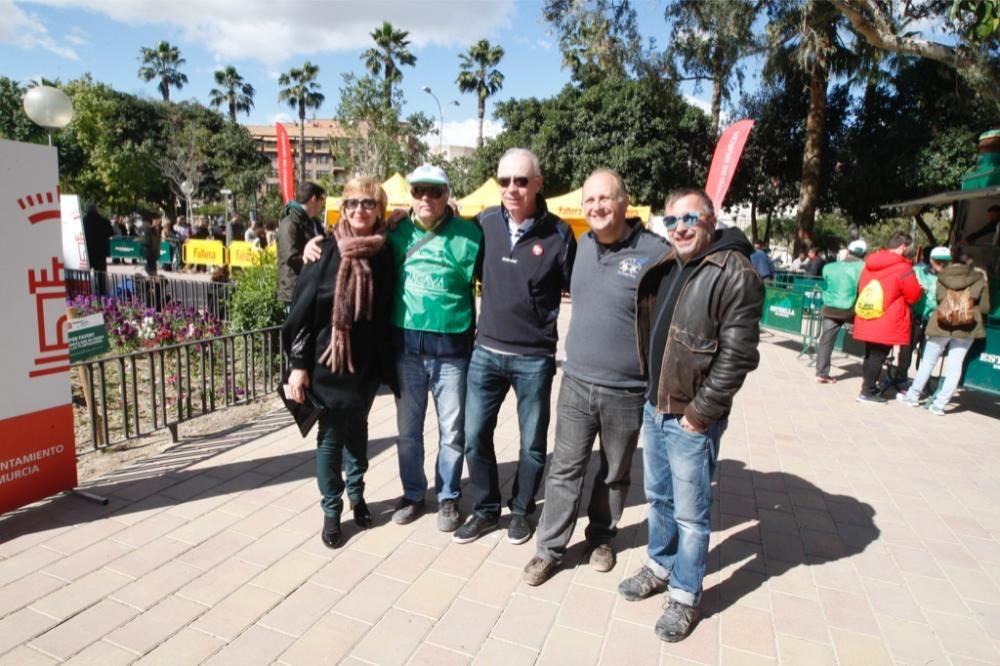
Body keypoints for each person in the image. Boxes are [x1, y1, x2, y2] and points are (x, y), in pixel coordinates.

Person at [620, 187, 763, 643]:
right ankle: (659, 566)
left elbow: (739, 356)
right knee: (658, 498)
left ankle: (684, 595)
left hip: (690, 417)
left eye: (689, 218)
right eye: (671, 221)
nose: (679, 227)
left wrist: (700, 415)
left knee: (691, 515)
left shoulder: (734, 271)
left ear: (710, 219)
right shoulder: (671, 264)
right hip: (656, 405)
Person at [522, 170, 666, 586]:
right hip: (576, 381)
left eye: (605, 199)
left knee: (614, 471)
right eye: (590, 201)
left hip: (627, 389)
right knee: (564, 468)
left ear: (624, 201)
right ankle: (549, 549)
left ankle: (602, 537)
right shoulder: (581, 245)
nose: (597, 207)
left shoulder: (654, 253)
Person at [454, 148, 577, 546]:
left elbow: (583, 283)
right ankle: (486, 509)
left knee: (533, 446)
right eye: (504, 180)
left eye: (521, 181)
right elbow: (448, 251)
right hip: (486, 353)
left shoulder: (560, 234)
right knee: (474, 435)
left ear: (538, 184)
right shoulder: (484, 222)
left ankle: (522, 510)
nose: (511, 188)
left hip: (534, 359)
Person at [283, 176, 397, 548]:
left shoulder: (384, 252)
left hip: (363, 367)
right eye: (352, 204)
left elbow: (385, 313)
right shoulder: (324, 251)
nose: (359, 210)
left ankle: (357, 495)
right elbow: (301, 314)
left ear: (379, 208)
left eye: (367, 203)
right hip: (325, 362)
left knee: (358, 435)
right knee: (330, 439)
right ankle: (332, 511)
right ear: (342, 209)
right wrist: (298, 365)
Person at [381, 165, 483, 530]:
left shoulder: (471, 234)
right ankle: (412, 494)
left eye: (435, 191)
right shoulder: (394, 232)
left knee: (452, 431)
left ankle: (448, 496)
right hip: (406, 350)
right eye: (419, 190)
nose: (426, 197)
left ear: (447, 195)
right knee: (408, 431)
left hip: (453, 351)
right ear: (410, 194)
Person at [897, 246, 990, 415]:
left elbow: (939, 298)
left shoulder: (943, 276)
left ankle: (913, 396)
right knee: (955, 366)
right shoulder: (980, 278)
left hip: (941, 323)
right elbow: (984, 308)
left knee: (928, 361)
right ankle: (939, 405)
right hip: (967, 327)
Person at [852, 231, 923, 404]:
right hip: (888, 318)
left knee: (870, 354)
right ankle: (867, 391)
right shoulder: (904, 268)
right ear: (903, 247)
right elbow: (913, 295)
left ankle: (868, 387)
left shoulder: (870, 264)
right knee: (878, 355)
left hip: (869, 313)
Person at [814, 239, 866, 384]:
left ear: (848, 251)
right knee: (870, 340)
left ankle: (821, 373)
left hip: (830, 308)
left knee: (826, 340)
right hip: (852, 309)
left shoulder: (830, 267)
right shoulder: (864, 267)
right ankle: (870, 376)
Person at [277, 182, 326, 310]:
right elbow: (291, 257)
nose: (322, 205)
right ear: (314, 199)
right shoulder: (289, 223)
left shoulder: (314, 222)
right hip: (295, 289)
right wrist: (316, 266)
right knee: (299, 329)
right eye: (322, 200)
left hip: (314, 286)